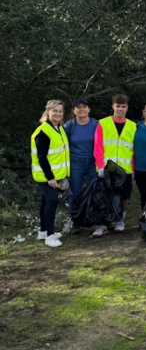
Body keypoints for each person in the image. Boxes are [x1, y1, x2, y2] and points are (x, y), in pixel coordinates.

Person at [92, 93, 137, 237]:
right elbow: (98, 146)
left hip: (125, 169)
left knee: (123, 197)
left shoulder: (133, 126)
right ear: (113, 106)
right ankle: (103, 224)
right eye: (118, 106)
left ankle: (120, 221)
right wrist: (100, 165)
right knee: (103, 196)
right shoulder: (103, 123)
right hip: (107, 168)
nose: (120, 109)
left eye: (123, 106)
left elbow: (134, 150)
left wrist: (133, 168)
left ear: (127, 108)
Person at [31, 99, 70, 248]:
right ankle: (50, 236)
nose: (58, 114)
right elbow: (42, 157)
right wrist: (50, 178)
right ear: (48, 112)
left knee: (46, 201)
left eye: (60, 111)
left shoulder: (59, 128)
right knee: (52, 201)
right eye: (55, 111)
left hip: (55, 175)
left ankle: (43, 231)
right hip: (45, 175)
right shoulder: (43, 131)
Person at [63, 97, 98, 229]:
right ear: (74, 111)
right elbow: (63, 145)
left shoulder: (96, 124)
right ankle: (76, 222)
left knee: (96, 191)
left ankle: (98, 220)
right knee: (75, 193)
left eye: (84, 107)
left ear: (89, 109)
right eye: (78, 107)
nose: (81, 109)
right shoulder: (69, 126)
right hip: (76, 163)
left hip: (93, 162)